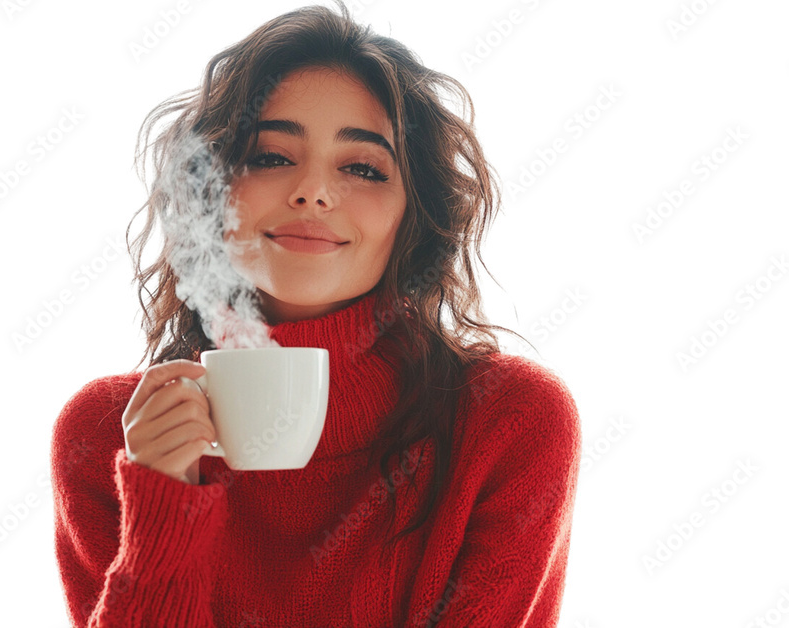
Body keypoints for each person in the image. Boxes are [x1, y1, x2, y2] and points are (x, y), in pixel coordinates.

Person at [51, 2, 581, 626]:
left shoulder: (509, 420)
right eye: (271, 157)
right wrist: (161, 505)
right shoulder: (109, 435)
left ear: (414, 214)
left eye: (363, 168)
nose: (313, 193)